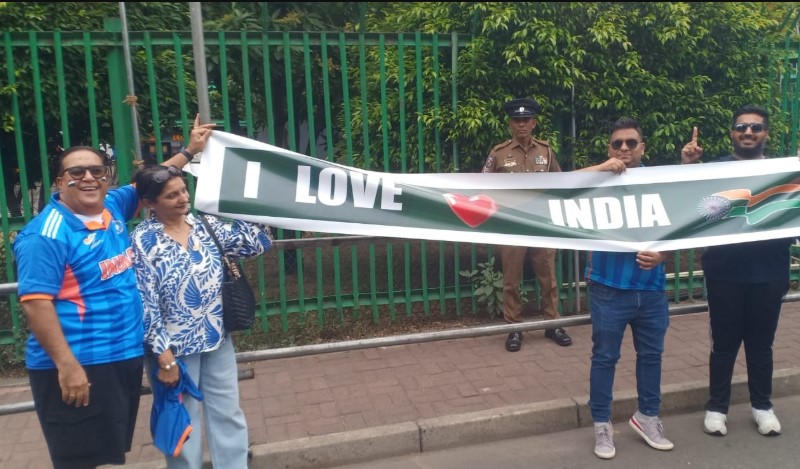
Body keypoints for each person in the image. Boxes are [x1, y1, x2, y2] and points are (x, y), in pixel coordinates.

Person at [11, 114, 213, 468]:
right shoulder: (45, 235)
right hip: (80, 362)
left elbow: (152, 180)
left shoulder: (112, 207)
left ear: (106, 178)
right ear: (60, 182)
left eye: (97, 171)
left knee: (105, 452)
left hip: (120, 356)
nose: (88, 177)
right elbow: (36, 305)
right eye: (76, 172)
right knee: (77, 459)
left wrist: (190, 150)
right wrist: (67, 366)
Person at [130, 151, 273, 467]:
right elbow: (145, 303)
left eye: (183, 191)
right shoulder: (142, 242)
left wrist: (253, 202)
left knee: (228, 411)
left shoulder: (204, 226)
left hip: (216, 338)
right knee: (183, 418)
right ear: (151, 203)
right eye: (172, 195)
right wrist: (163, 357)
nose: (183, 199)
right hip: (174, 350)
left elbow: (256, 243)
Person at [682, 104, 791, 437]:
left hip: (770, 272)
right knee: (724, 345)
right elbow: (686, 203)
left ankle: (763, 407)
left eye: (755, 127)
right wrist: (688, 167)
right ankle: (717, 408)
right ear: (732, 133)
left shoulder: (785, 173)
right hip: (725, 273)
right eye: (742, 127)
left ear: (765, 134)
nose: (748, 132)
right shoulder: (714, 170)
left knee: (761, 345)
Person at [579, 117, 674, 459]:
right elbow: (557, 188)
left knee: (652, 356)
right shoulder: (596, 179)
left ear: (642, 147)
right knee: (605, 358)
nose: (624, 148)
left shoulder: (659, 182)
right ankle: (602, 425)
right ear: (609, 148)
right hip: (608, 287)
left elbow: (681, 228)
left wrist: (663, 255)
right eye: (617, 143)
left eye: (631, 143)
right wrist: (599, 169)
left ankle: (648, 417)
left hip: (651, 289)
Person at [481, 97, 572, 351]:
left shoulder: (546, 151)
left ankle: (553, 324)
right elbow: (482, 185)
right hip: (512, 226)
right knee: (511, 281)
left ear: (534, 123)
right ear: (510, 124)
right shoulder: (498, 153)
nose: (521, 124)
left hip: (540, 225)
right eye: (516, 120)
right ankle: (514, 328)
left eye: (526, 120)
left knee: (548, 279)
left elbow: (560, 183)